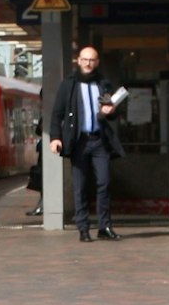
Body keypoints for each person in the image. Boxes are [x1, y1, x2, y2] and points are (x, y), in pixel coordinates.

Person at [49, 45, 122, 242]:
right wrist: (55, 137)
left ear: (97, 62)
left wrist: (112, 111)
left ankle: (104, 226)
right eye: (85, 59)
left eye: (92, 60)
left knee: (104, 183)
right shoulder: (68, 85)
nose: (88, 63)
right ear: (79, 61)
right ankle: (83, 228)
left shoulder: (103, 84)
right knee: (80, 186)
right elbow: (57, 114)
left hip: (99, 140)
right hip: (79, 141)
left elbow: (113, 113)